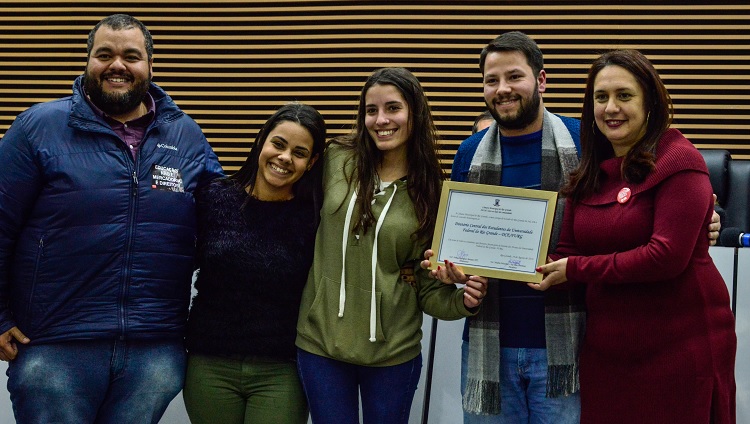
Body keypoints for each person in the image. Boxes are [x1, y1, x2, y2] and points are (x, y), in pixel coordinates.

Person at [422, 31, 721, 424]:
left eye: (514, 76)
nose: (503, 89)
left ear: (541, 80)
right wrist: (450, 269)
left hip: (568, 344)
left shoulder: (586, 143)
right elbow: (458, 239)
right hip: (488, 346)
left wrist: (706, 220)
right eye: (491, 80)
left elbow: (643, 206)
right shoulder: (468, 153)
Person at [0, 14, 223, 423]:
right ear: (87, 62)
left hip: (153, 353)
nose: (117, 65)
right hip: (55, 348)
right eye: (104, 54)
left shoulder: (185, 134)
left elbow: (229, 218)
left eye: (131, 56)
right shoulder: (38, 127)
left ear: (150, 66)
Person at [532, 49, 736, 424]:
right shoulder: (589, 173)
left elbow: (665, 256)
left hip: (680, 352)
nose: (611, 108)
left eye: (624, 95)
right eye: (600, 97)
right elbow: (566, 254)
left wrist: (575, 268)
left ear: (650, 102)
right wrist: (504, 261)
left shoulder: (679, 159)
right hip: (607, 356)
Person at [295, 67, 487, 424]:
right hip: (320, 344)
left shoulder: (429, 191)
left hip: (392, 355)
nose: (381, 120)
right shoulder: (337, 159)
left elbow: (427, 286)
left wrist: (462, 300)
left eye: (393, 108)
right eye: (371, 110)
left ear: (414, 112)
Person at [182, 103, 325, 424]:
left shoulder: (315, 217)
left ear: (311, 162)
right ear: (261, 141)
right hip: (209, 364)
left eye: (299, 152)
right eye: (278, 143)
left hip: (281, 370)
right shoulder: (214, 198)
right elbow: (171, 264)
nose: (285, 157)